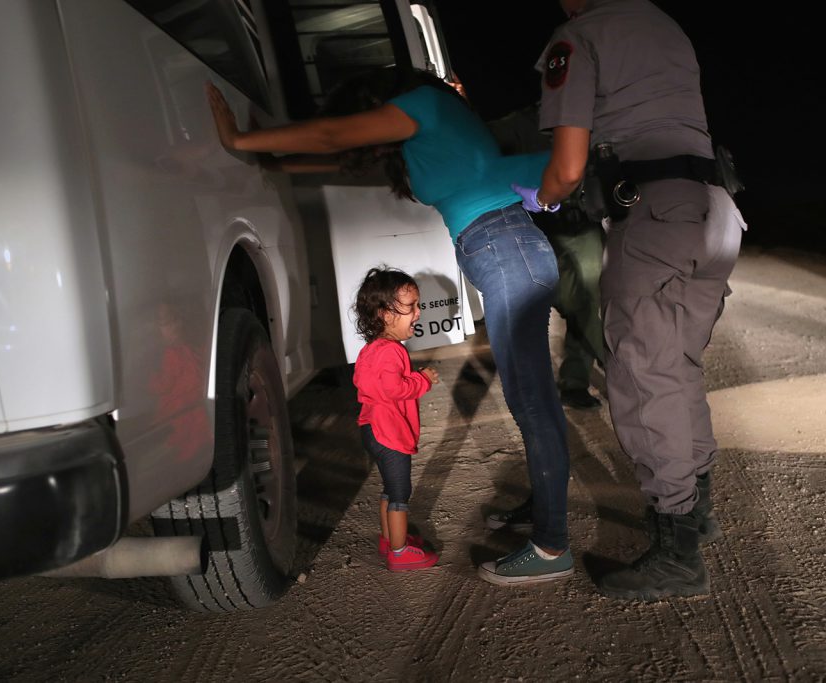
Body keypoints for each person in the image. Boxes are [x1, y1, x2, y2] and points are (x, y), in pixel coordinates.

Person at [206, 67, 574, 585]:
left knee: (532, 399)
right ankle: (546, 510)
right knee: (529, 397)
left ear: (377, 99)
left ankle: (553, 543)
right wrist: (267, 156)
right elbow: (338, 154)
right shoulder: (424, 135)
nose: (367, 125)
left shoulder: (425, 103)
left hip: (506, 245)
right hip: (497, 248)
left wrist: (240, 137)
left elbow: (336, 135)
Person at [519, 0, 748, 601]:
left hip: (655, 212)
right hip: (717, 209)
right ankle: (697, 515)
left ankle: (677, 554)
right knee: (679, 368)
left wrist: (538, 202)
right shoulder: (663, 22)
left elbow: (567, 168)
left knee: (644, 377)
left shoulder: (576, 36)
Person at [488, 105, 606, 411]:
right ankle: (620, 366)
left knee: (589, 301)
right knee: (569, 301)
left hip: (583, 222)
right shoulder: (515, 124)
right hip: (537, 224)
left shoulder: (586, 117)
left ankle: (576, 381)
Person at [351, 266, 440, 571]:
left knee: (389, 489)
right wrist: (422, 380)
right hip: (390, 434)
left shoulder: (370, 350)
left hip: (371, 429)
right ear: (387, 314)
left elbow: (366, 385)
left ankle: (390, 540)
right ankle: (400, 552)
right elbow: (394, 389)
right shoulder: (392, 352)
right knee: (400, 493)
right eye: (411, 307)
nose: (418, 313)